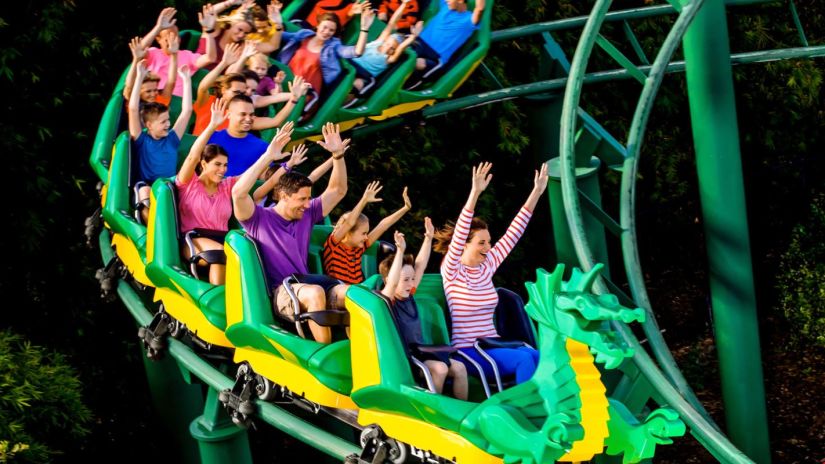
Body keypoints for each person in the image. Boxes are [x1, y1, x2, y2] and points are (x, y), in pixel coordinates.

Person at [232, 122, 351, 344]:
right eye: (302, 199)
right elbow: (238, 193)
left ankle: (359, 355)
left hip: (306, 283)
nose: (307, 204)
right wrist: (268, 157)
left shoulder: (306, 214)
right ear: (283, 196)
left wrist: (337, 156)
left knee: (354, 295)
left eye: (308, 198)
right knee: (315, 293)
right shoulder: (258, 219)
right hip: (282, 292)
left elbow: (338, 190)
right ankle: (323, 355)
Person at [433, 161, 548, 385]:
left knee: (537, 356)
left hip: (493, 344)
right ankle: (526, 408)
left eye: (489, 242)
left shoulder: (487, 266)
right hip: (468, 350)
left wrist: (536, 192)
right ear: (465, 245)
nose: (488, 248)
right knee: (523, 360)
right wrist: (475, 193)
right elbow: (459, 234)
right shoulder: (452, 270)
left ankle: (548, 406)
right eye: (481, 243)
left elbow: (514, 232)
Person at [175, 99, 293, 285]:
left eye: (225, 166)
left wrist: (269, 155)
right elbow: (192, 157)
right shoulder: (188, 183)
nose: (222, 170)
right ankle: (216, 297)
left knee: (254, 256)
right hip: (194, 239)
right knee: (221, 254)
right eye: (217, 165)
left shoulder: (227, 185)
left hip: (224, 239)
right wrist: (213, 125)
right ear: (204, 164)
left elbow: (252, 174)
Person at [379, 220, 469, 400]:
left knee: (460, 368)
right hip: (405, 358)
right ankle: (434, 411)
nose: (411, 284)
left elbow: (419, 266)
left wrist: (428, 239)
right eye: (405, 280)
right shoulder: (388, 300)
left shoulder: (408, 294)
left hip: (423, 353)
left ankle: (462, 410)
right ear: (392, 279)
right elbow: (394, 280)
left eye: (412, 279)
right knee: (441, 369)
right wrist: (400, 252)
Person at [192, 42, 308, 136]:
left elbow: (275, 122)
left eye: (242, 93)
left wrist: (293, 98)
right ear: (223, 90)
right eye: (236, 92)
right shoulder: (208, 102)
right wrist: (224, 63)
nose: (241, 95)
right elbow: (203, 87)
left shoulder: (242, 117)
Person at [128, 61, 193, 224]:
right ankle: (151, 228)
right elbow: (133, 109)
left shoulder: (171, 139)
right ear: (149, 125)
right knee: (144, 191)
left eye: (168, 120)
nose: (168, 125)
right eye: (163, 122)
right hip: (148, 184)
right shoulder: (142, 140)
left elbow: (187, 112)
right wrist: (140, 77)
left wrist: (186, 80)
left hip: (168, 183)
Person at [276, 11, 370, 112]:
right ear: (318, 25)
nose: (326, 32)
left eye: (331, 30)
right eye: (324, 27)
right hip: (285, 80)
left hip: (305, 91)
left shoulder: (333, 46)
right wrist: (275, 21)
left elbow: (357, 52)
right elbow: (279, 35)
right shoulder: (304, 35)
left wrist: (364, 29)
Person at [322, 182, 411, 284]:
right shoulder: (334, 244)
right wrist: (364, 200)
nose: (366, 237)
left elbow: (383, 225)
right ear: (348, 232)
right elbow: (349, 222)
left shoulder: (359, 248)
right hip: (342, 293)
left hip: (359, 292)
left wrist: (405, 208)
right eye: (363, 233)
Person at [130, 6, 217, 98]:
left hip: (176, 102)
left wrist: (209, 31)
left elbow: (210, 58)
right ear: (159, 39)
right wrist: (158, 27)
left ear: (179, 39)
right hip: (153, 97)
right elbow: (139, 50)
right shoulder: (153, 53)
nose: (170, 40)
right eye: (167, 37)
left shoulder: (187, 55)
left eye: (174, 37)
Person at [349, 1, 419, 92]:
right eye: (388, 44)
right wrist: (404, 4)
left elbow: (402, 47)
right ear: (385, 41)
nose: (388, 48)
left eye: (392, 49)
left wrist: (413, 37)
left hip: (364, 74)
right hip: (351, 64)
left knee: (358, 84)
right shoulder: (379, 42)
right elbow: (392, 23)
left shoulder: (388, 59)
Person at [408, 0, 486, 82]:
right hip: (418, 44)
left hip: (435, 57)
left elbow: (480, 8)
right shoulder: (446, 6)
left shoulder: (469, 20)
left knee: (414, 62)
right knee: (398, 48)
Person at [302, 0, 370, 29]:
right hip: (306, 25)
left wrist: (352, 12)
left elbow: (348, 14)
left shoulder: (350, 6)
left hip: (326, 35)